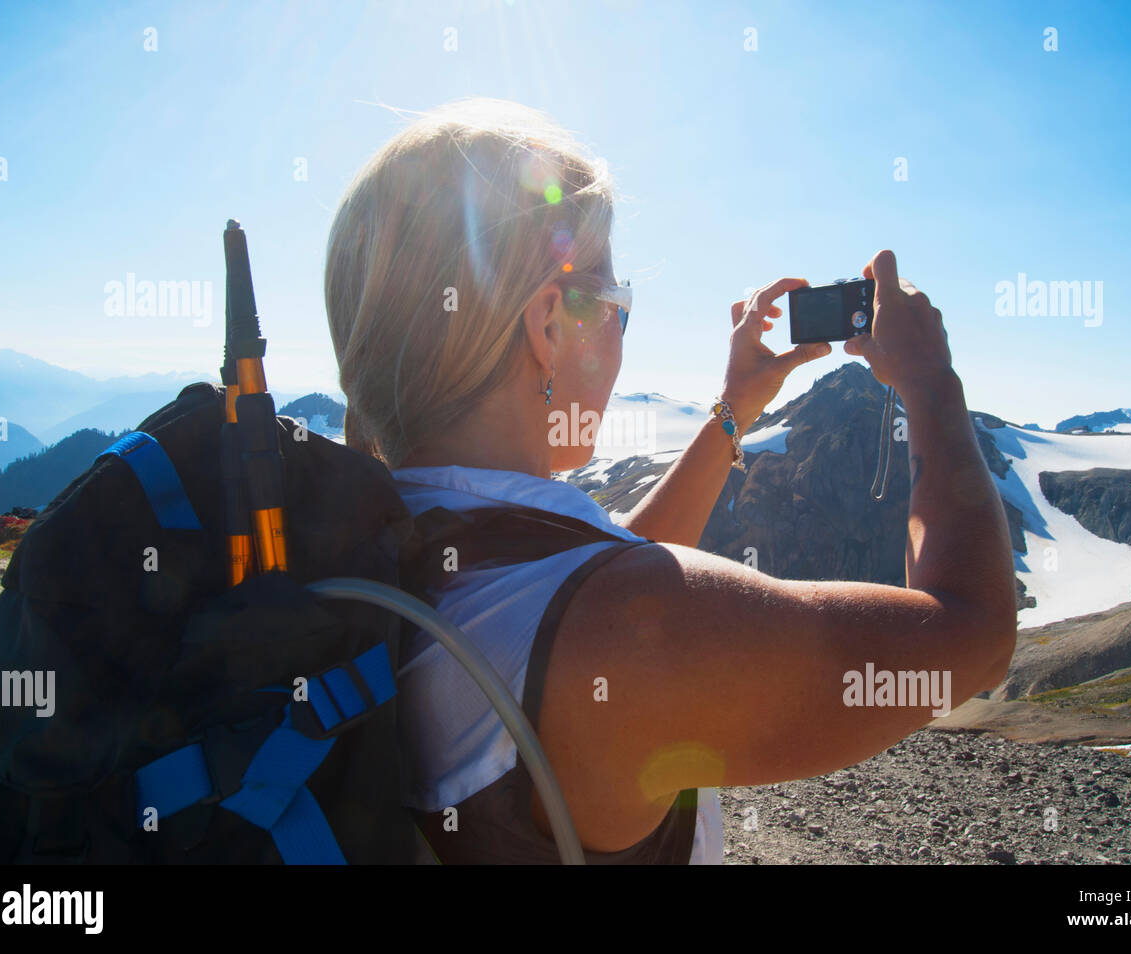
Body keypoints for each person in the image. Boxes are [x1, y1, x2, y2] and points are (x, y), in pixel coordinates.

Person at [324, 97, 1016, 864]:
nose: (622, 331)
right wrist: (930, 383)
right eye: (618, 306)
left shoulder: (390, 542)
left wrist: (733, 413)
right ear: (549, 327)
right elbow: (974, 639)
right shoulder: (616, 638)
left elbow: (594, 575)